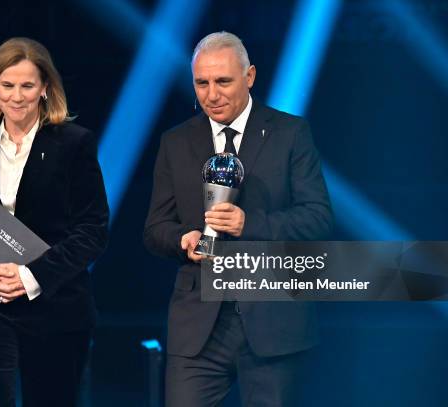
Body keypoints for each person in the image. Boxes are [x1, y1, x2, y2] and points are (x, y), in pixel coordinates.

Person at [144, 32, 333, 406]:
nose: (211, 95)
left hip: (273, 325)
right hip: (198, 327)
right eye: (202, 83)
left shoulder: (290, 134)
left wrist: (250, 224)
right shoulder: (176, 142)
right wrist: (184, 240)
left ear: (249, 77)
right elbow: (155, 229)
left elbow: (318, 219)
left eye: (223, 81)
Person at [0, 37, 109, 406]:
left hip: (55, 305)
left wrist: (31, 277)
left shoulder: (74, 143)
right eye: (8, 85)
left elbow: (92, 230)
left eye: (27, 85)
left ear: (45, 89)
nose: (17, 96)